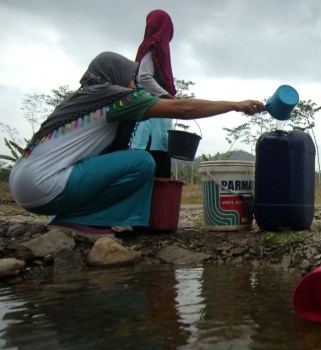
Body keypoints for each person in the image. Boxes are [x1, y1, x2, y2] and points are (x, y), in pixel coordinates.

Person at [8, 51, 264, 239]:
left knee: (121, 162)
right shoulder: (115, 98)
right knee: (141, 162)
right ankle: (82, 221)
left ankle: (71, 218)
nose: (135, 86)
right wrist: (235, 104)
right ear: (115, 76)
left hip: (23, 183)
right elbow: (183, 108)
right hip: (44, 185)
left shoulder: (81, 100)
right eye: (132, 79)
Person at [130, 9, 176, 178]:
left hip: (158, 115)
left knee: (159, 156)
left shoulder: (150, 47)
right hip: (152, 116)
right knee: (156, 165)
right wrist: (168, 97)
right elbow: (144, 77)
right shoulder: (154, 46)